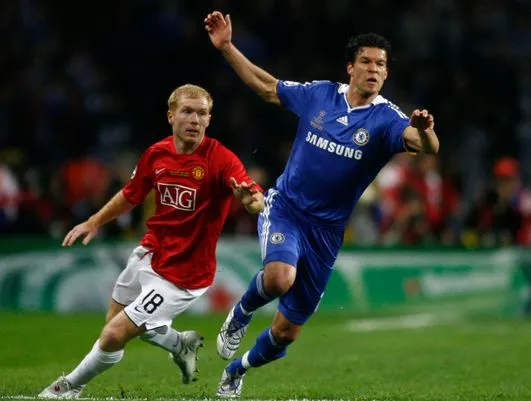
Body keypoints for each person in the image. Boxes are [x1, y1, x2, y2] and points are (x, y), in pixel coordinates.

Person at [204, 11, 440, 398]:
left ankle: (236, 369)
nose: (373, 69)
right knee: (280, 277)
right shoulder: (319, 94)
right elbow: (266, 87)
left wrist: (427, 131)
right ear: (350, 66)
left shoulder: (386, 119)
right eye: (365, 61)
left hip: (327, 232)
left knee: (285, 333)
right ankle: (241, 313)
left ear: (386, 74)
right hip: (287, 208)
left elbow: (423, 143)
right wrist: (227, 47)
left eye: (380, 64)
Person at [38, 84, 265, 399]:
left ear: (209, 120)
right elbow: (131, 195)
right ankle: (179, 344)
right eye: (187, 111)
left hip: (184, 274)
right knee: (116, 323)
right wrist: (94, 221)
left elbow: (256, 198)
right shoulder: (156, 154)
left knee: (113, 334)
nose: (195, 119)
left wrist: (250, 199)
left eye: (202, 113)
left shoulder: (221, 159)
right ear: (171, 115)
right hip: (149, 252)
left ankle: (69, 387)